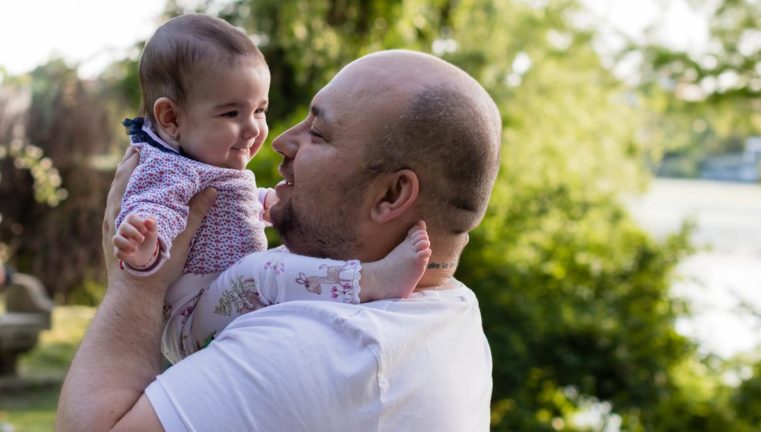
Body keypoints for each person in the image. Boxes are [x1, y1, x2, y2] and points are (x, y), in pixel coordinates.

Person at [57, 49, 501, 431]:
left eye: (319, 133)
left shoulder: (320, 351)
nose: (281, 142)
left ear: (391, 195)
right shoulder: (454, 312)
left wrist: (136, 285)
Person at [114, 15, 430, 362]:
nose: (253, 128)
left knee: (284, 261)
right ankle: (370, 282)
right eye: (232, 113)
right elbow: (153, 207)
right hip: (187, 319)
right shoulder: (165, 167)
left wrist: (266, 201)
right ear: (171, 119)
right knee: (264, 272)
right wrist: (146, 243)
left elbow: (229, 207)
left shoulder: (205, 162)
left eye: (259, 110)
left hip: (217, 298)